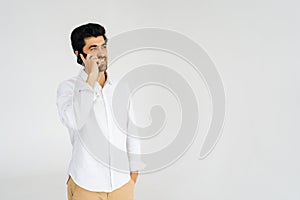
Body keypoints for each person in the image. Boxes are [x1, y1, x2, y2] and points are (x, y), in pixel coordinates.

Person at [56, 23, 146, 200]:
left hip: (122, 184)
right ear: (79, 55)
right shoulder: (67, 89)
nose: (101, 53)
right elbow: (75, 120)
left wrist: (133, 173)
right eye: (93, 48)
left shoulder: (121, 87)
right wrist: (91, 78)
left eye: (103, 46)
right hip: (86, 184)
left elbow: (132, 132)